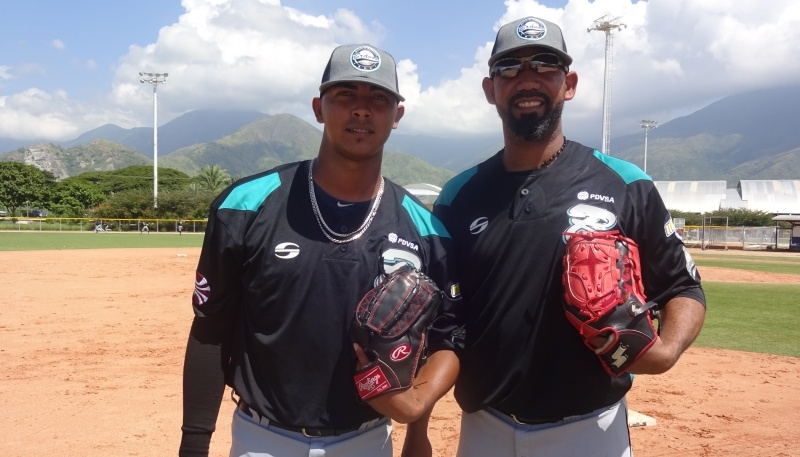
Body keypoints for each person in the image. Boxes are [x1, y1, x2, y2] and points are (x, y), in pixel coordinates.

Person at [433, 16, 706, 457]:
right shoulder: (457, 197)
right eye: (510, 68)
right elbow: (440, 317)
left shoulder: (626, 183)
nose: (528, 79)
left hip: (590, 428)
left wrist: (668, 349)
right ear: (490, 89)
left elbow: (683, 285)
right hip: (483, 426)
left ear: (570, 83)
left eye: (545, 65)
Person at [179, 43, 463, 457]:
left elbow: (443, 338)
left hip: (368, 439)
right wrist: (194, 442)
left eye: (378, 99)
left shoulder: (427, 230)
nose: (361, 109)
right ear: (318, 107)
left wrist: (417, 418)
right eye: (345, 95)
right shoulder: (245, 205)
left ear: (396, 116)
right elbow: (209, 330)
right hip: (263, 439)